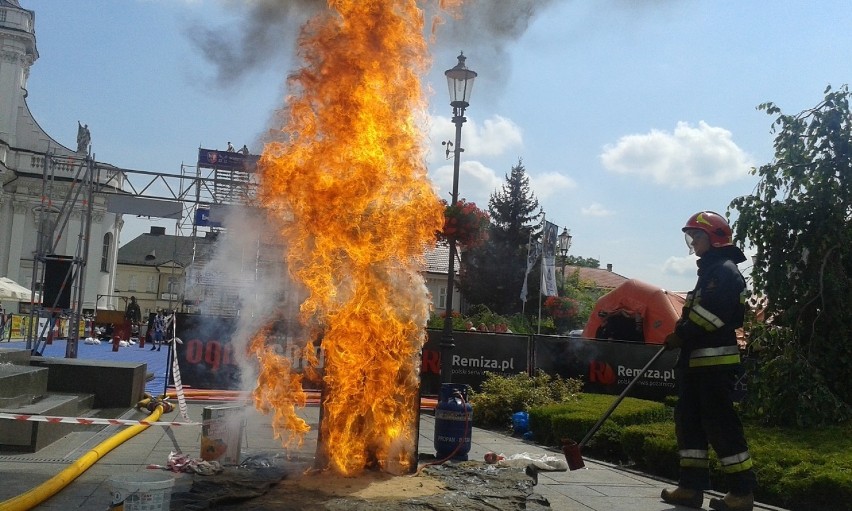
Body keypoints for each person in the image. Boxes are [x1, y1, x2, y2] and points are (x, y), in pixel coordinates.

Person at [661, 211, 755, 511]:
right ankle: (690, 488)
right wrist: (681, 331)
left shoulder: (724, 272)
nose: (693, 243)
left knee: (721, 426)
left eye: (697, 237)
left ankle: (741, 493)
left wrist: (682, 333)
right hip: (696, 364)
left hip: (714, 365)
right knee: (689, 424)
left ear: (715, 239)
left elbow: (712, 318)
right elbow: (695, 315)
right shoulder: (710, 272)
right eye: (691, 237)